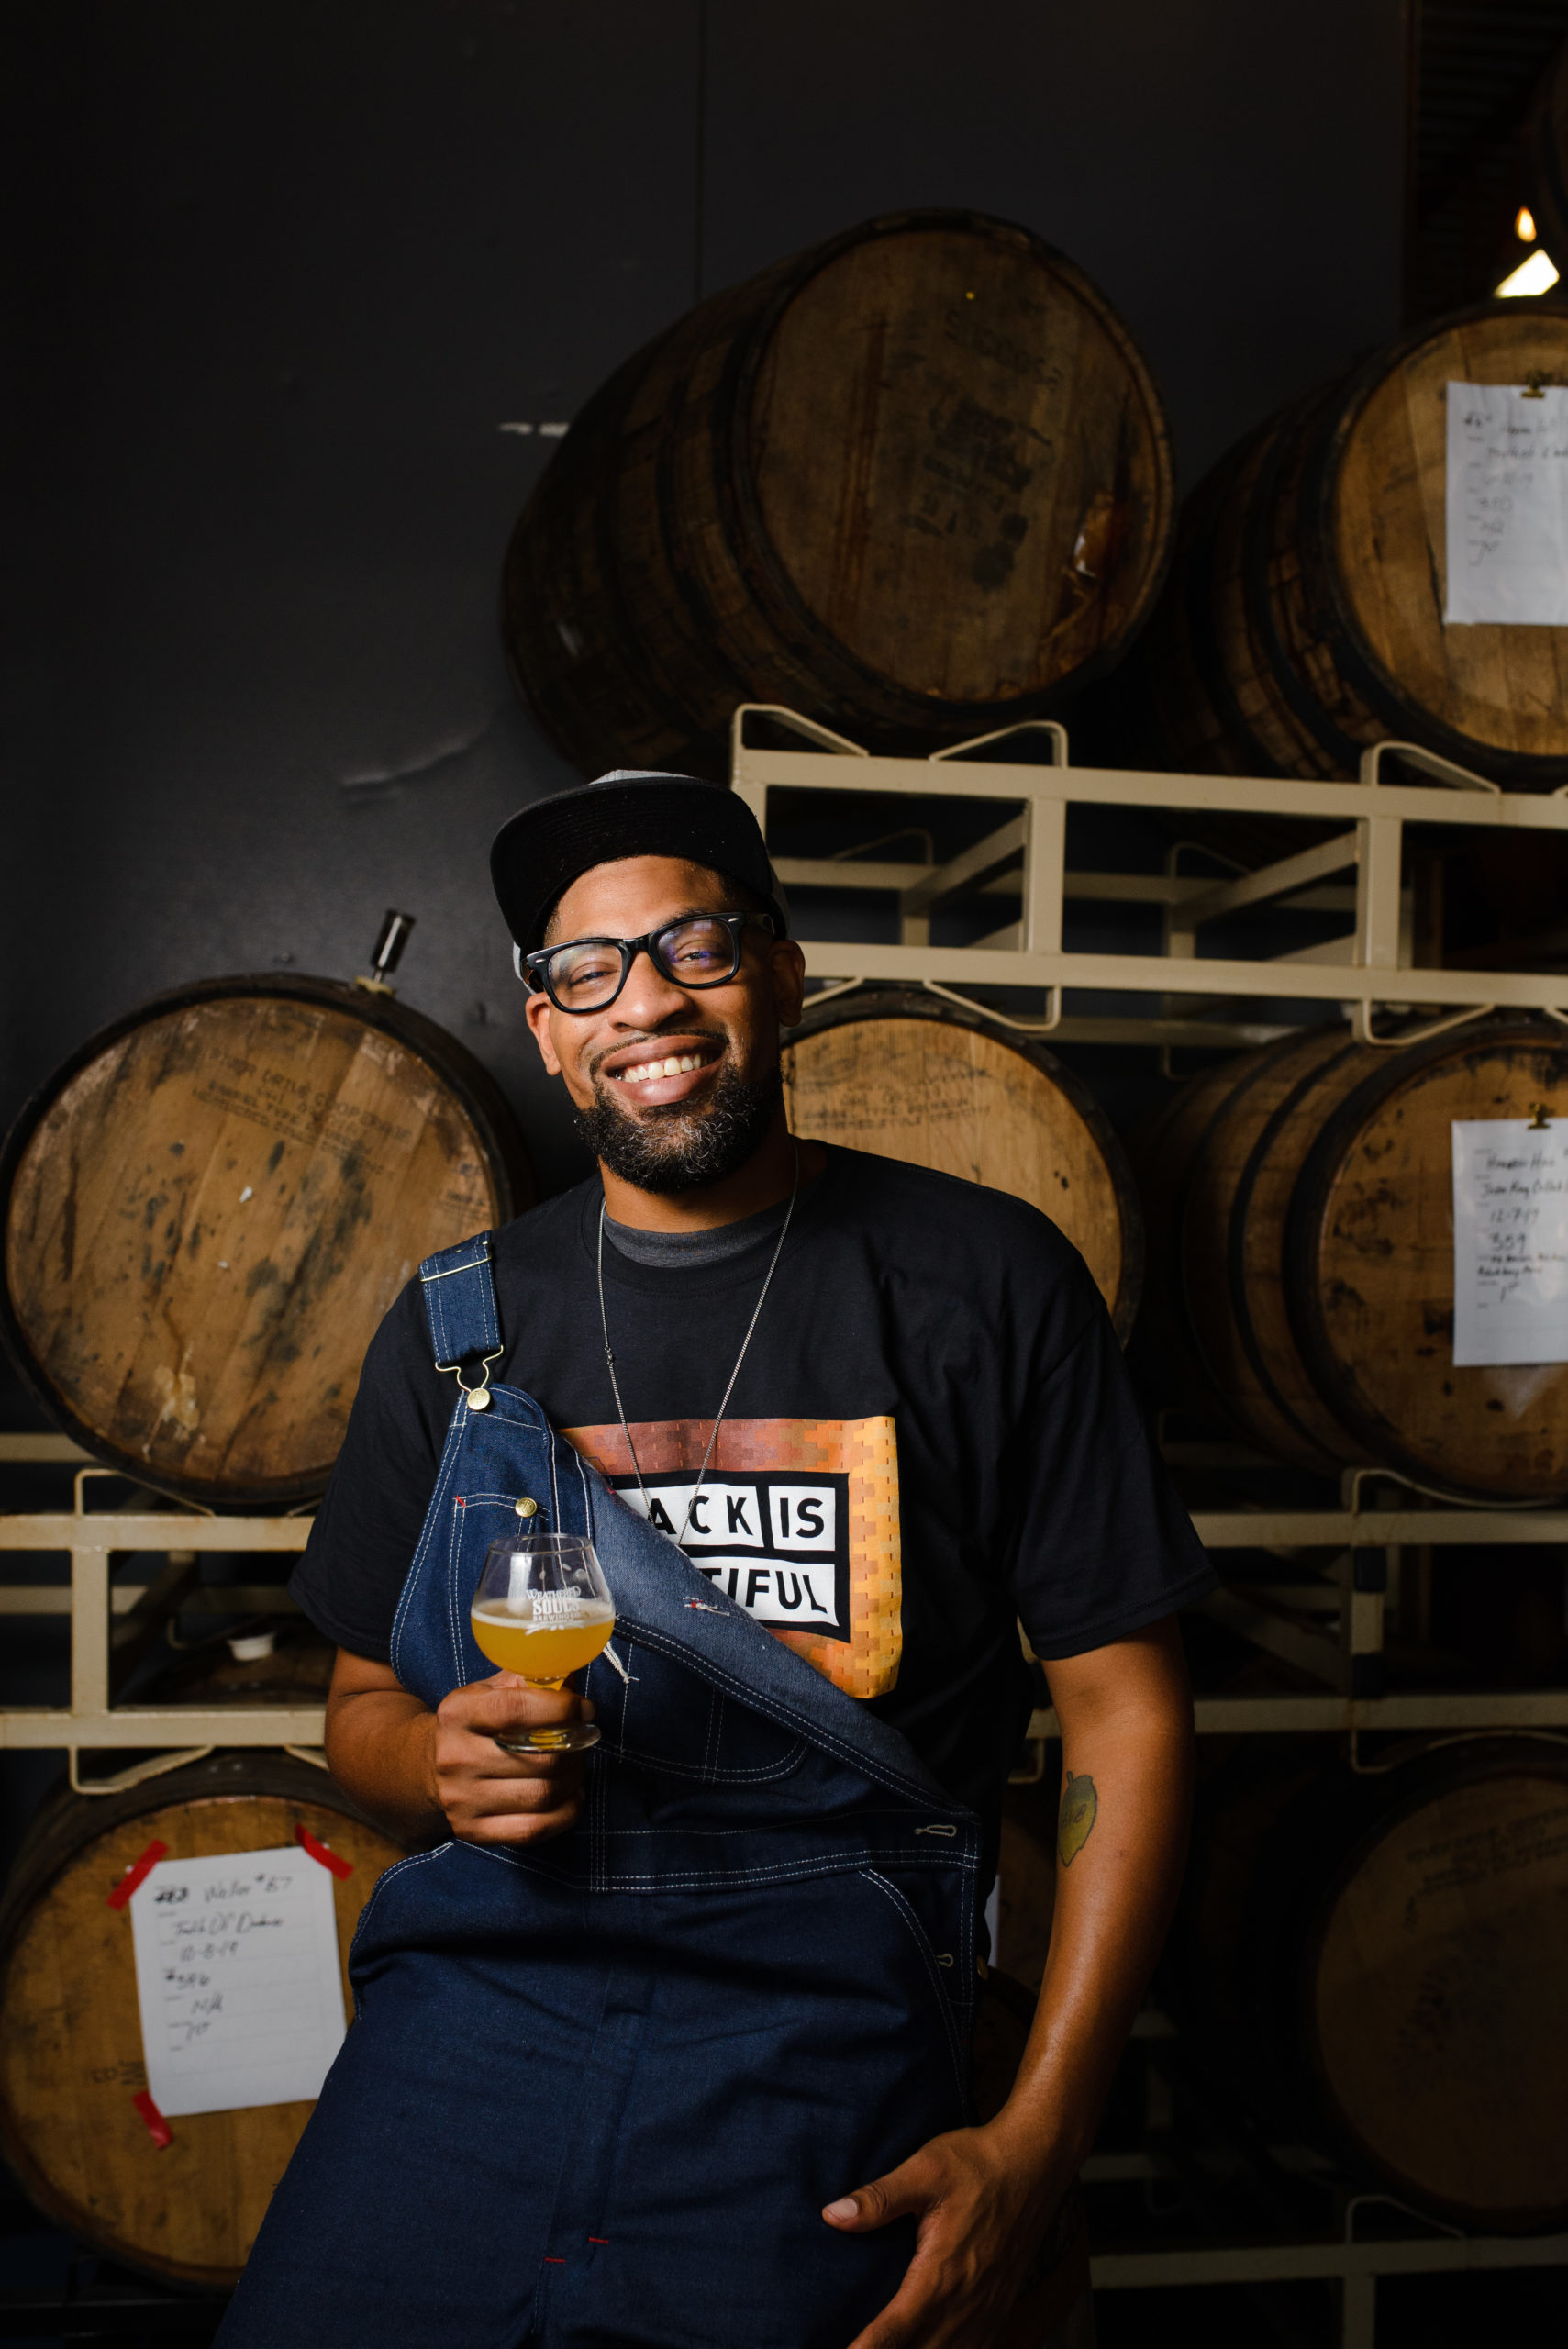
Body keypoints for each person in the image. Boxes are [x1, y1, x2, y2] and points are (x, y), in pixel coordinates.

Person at [217, 771, 1213, 2349]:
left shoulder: (981, 1281)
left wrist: (1038, 2142)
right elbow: (361, 1711)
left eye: (695, 946)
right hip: (484, 2000)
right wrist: (435, 1760)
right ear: (548, 1031)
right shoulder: (461, 1323)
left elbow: (1124, 1716)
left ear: (783, 974)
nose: (646, 1002)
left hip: (826, 2017)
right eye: (587, 971)